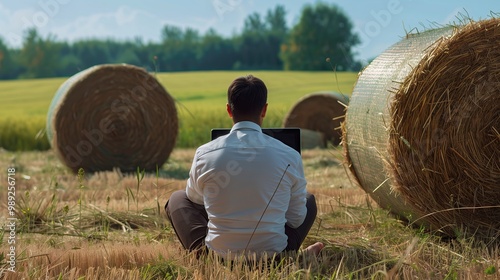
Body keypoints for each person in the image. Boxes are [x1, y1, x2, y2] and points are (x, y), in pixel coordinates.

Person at [165, 75, 323, 261]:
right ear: (264, 110)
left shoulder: (204, 153)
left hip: (219, 256)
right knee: (308, 200)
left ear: (228, 110)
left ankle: (203, 258)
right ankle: (288, 259)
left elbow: (196, 201)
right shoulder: (289, 155)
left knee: (177, 198)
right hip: (272, 256)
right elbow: (296, 219)